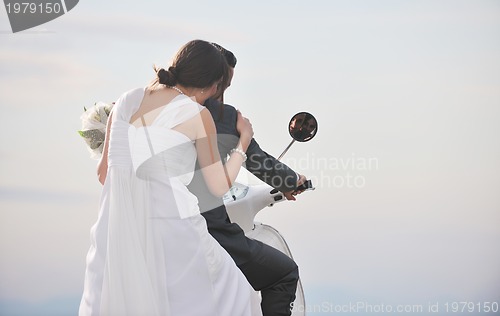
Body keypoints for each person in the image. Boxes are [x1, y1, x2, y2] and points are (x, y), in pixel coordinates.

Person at [79, 40, 262, 316]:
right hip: (171, 230)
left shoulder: (127, 100)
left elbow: (104, 174)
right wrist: (243, 142)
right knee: (235, 294)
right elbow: (219, 185)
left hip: (116, 228)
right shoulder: (199, 116)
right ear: (209, 85)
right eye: (217, 87)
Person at [187, 43, 307, 316]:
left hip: (159, 221)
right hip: (208, 227)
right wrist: (292, 180)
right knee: (284, 274)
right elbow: (258, 160)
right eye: (223, 83)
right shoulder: (224, 116)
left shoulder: (159, 110)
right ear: (213, 79)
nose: (223, 92)